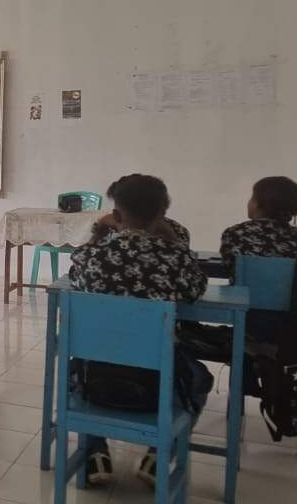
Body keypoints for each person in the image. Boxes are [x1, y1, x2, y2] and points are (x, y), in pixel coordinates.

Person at [68, 174, 211, 488]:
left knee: (74, 364)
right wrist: (172, 241)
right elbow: (196, 290)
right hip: (159, 382)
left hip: (96, 376)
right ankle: (158, 455)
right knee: (202, 376)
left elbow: (74, 277)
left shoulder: (90, 257)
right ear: (163, 215)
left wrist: (99, 236)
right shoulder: (176, 259)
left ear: (116, 215)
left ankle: (94, 453)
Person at [219, 176, 297, 275]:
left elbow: (229, 269)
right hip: (283, 290)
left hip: (247, 290)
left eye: (252, 197)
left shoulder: (236, 233)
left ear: (258, 204)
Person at [90, 174, 190, 246]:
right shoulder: (178, 232)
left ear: (116, 215)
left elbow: (83, 258)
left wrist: (100, 227)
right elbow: (187, 262)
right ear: (162, 212)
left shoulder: (105, 228)